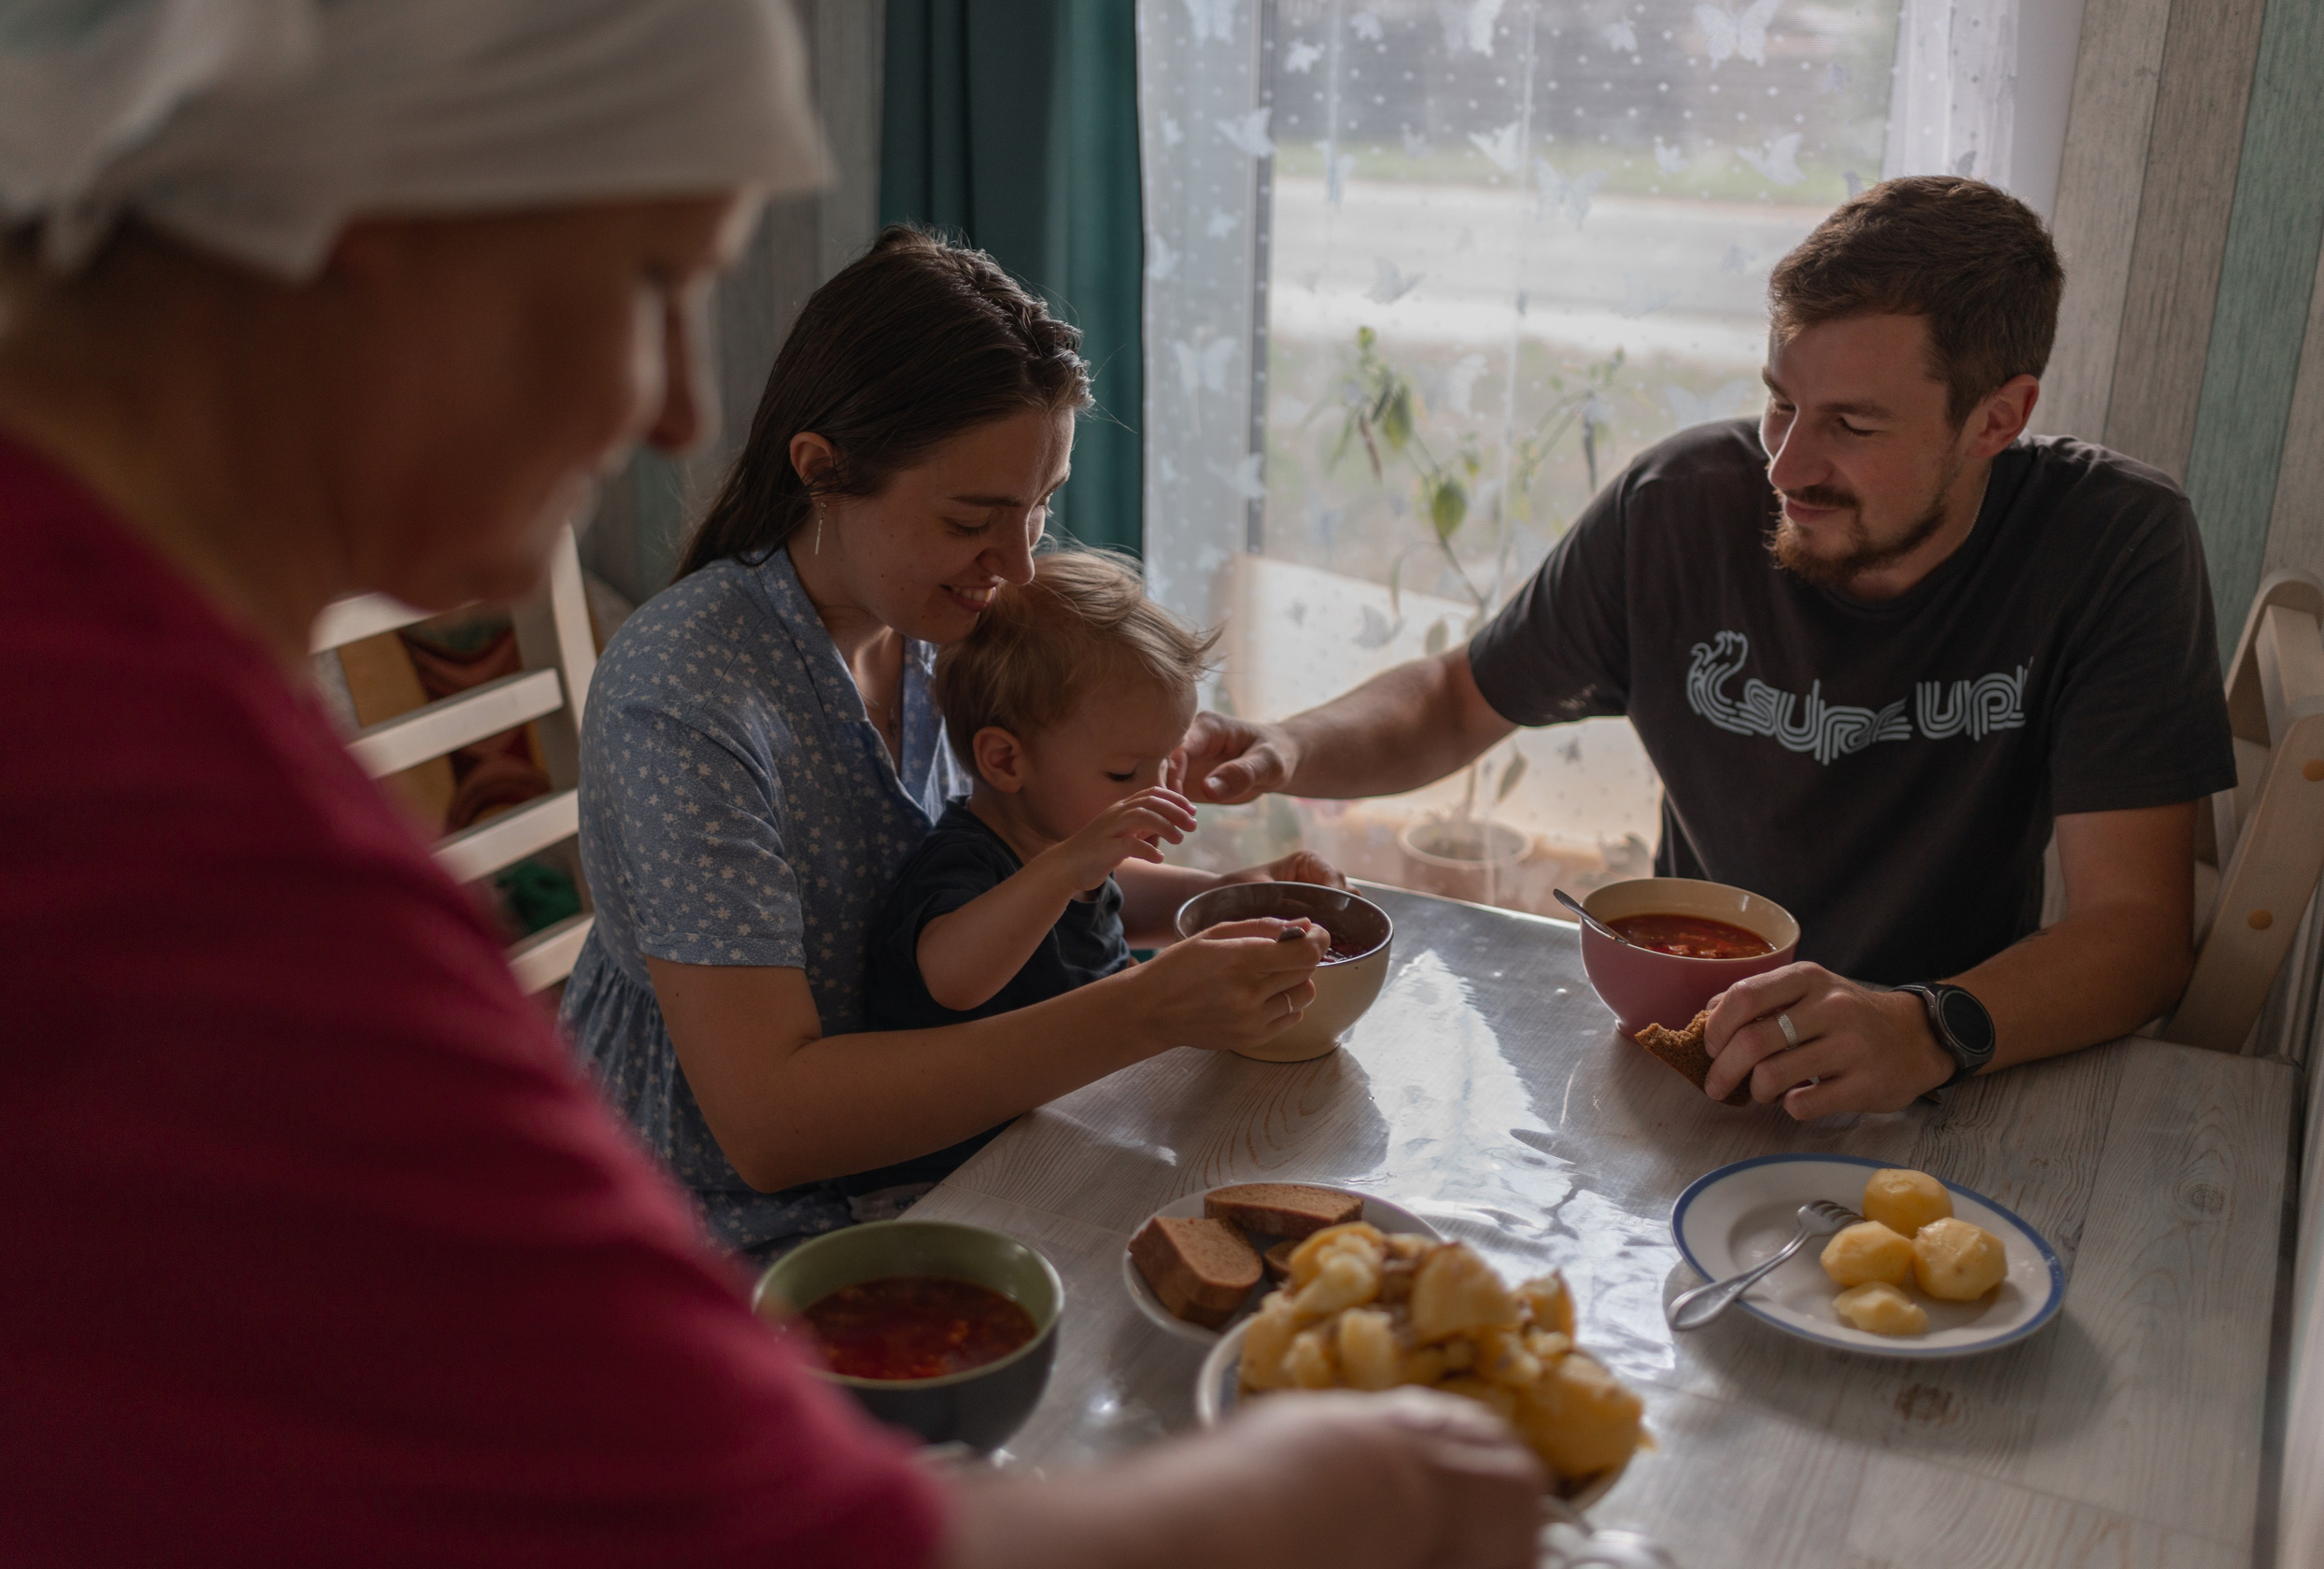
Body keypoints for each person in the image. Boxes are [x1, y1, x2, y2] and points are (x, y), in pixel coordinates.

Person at [0, 0, 1550, 1564]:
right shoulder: (137, 823)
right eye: (649, 282)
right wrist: (1341, 1497)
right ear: (385, 217)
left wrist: (1190, 898)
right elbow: (764, 1484)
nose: (677, 401)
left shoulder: (88, 664)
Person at [1177, 177, 2237, 1121]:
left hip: (1958, 1063)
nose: (1787, 464)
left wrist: (1921, 1029)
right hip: (1684, 1049)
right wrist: (1287, 741)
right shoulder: (1681, 503)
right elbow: (1456, 702)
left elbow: (2137, 932)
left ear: (1997, 419)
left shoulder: (2112, 541)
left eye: (1852, 426)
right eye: (1779, 402)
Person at [565, 230, 1336, 1258]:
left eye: (1042, 507)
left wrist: (1227, 898)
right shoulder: (687, 695)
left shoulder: (948, 631)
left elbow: (1028, 869)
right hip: (709, 1224)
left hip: (953, 1156)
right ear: (822, 471)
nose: (1019, 566)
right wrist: (1144, 1010)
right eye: (975, 516)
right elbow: (770, 1127)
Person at [865, 549, 1336, 1032]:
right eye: (1123, 773)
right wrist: (1068, 869)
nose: (1158, 790)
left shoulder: (1067, 843)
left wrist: (1245, 893)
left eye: (1169, 761)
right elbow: (952, 981)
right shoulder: (968, 859)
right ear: (1006, 760)